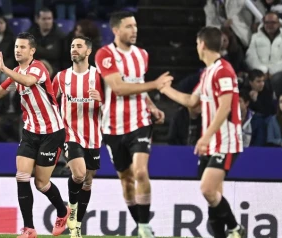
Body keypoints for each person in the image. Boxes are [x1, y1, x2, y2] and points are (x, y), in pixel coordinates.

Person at [0, 32, 70, 238]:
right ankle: (29, 229)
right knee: (22, 176)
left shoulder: (39, 69)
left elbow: (27, 82)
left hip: (52, 132)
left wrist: (4, 68)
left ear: (32, 51)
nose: (18, 50)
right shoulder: (16, 71)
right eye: (16, 46)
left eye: (22, 47)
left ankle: (63, 211)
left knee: (41, 183)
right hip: (30, 132)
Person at [159, 26, 246, 238]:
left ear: (203, 45)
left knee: (207, 189)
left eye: (197, 44)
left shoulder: (224, 70)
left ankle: (236, 229)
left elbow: (225, 107)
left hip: (225, 142)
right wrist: (164, 89)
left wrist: (205, 136)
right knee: (214, 195)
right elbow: (192, 101)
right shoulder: (208, 73)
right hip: (212, 142)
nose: (196, 47)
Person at [94, 11, 172, 238]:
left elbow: (137, 86)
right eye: (128, 26)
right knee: (126, 181)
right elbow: (119, 88)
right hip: (112, 127)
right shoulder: (105, 54)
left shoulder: (142, 55)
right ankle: (140, 224)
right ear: (116, 30)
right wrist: (154, 84)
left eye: (135, 26)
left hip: (139, 122)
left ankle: (145, 227)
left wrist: (152, 107)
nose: (134, 30)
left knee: (140, 172)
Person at [52, 36, 102, 238]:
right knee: (79, 175)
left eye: (79, 46)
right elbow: (50, 103)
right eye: (72, 46)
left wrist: (103, 100)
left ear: (88, 51)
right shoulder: (61, 77)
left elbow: (114, 105)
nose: (74, 49)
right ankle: (70, 208)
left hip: (94, 136)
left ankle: (76, 227)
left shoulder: (100, 77)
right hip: (70, 134)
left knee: (87, 182)